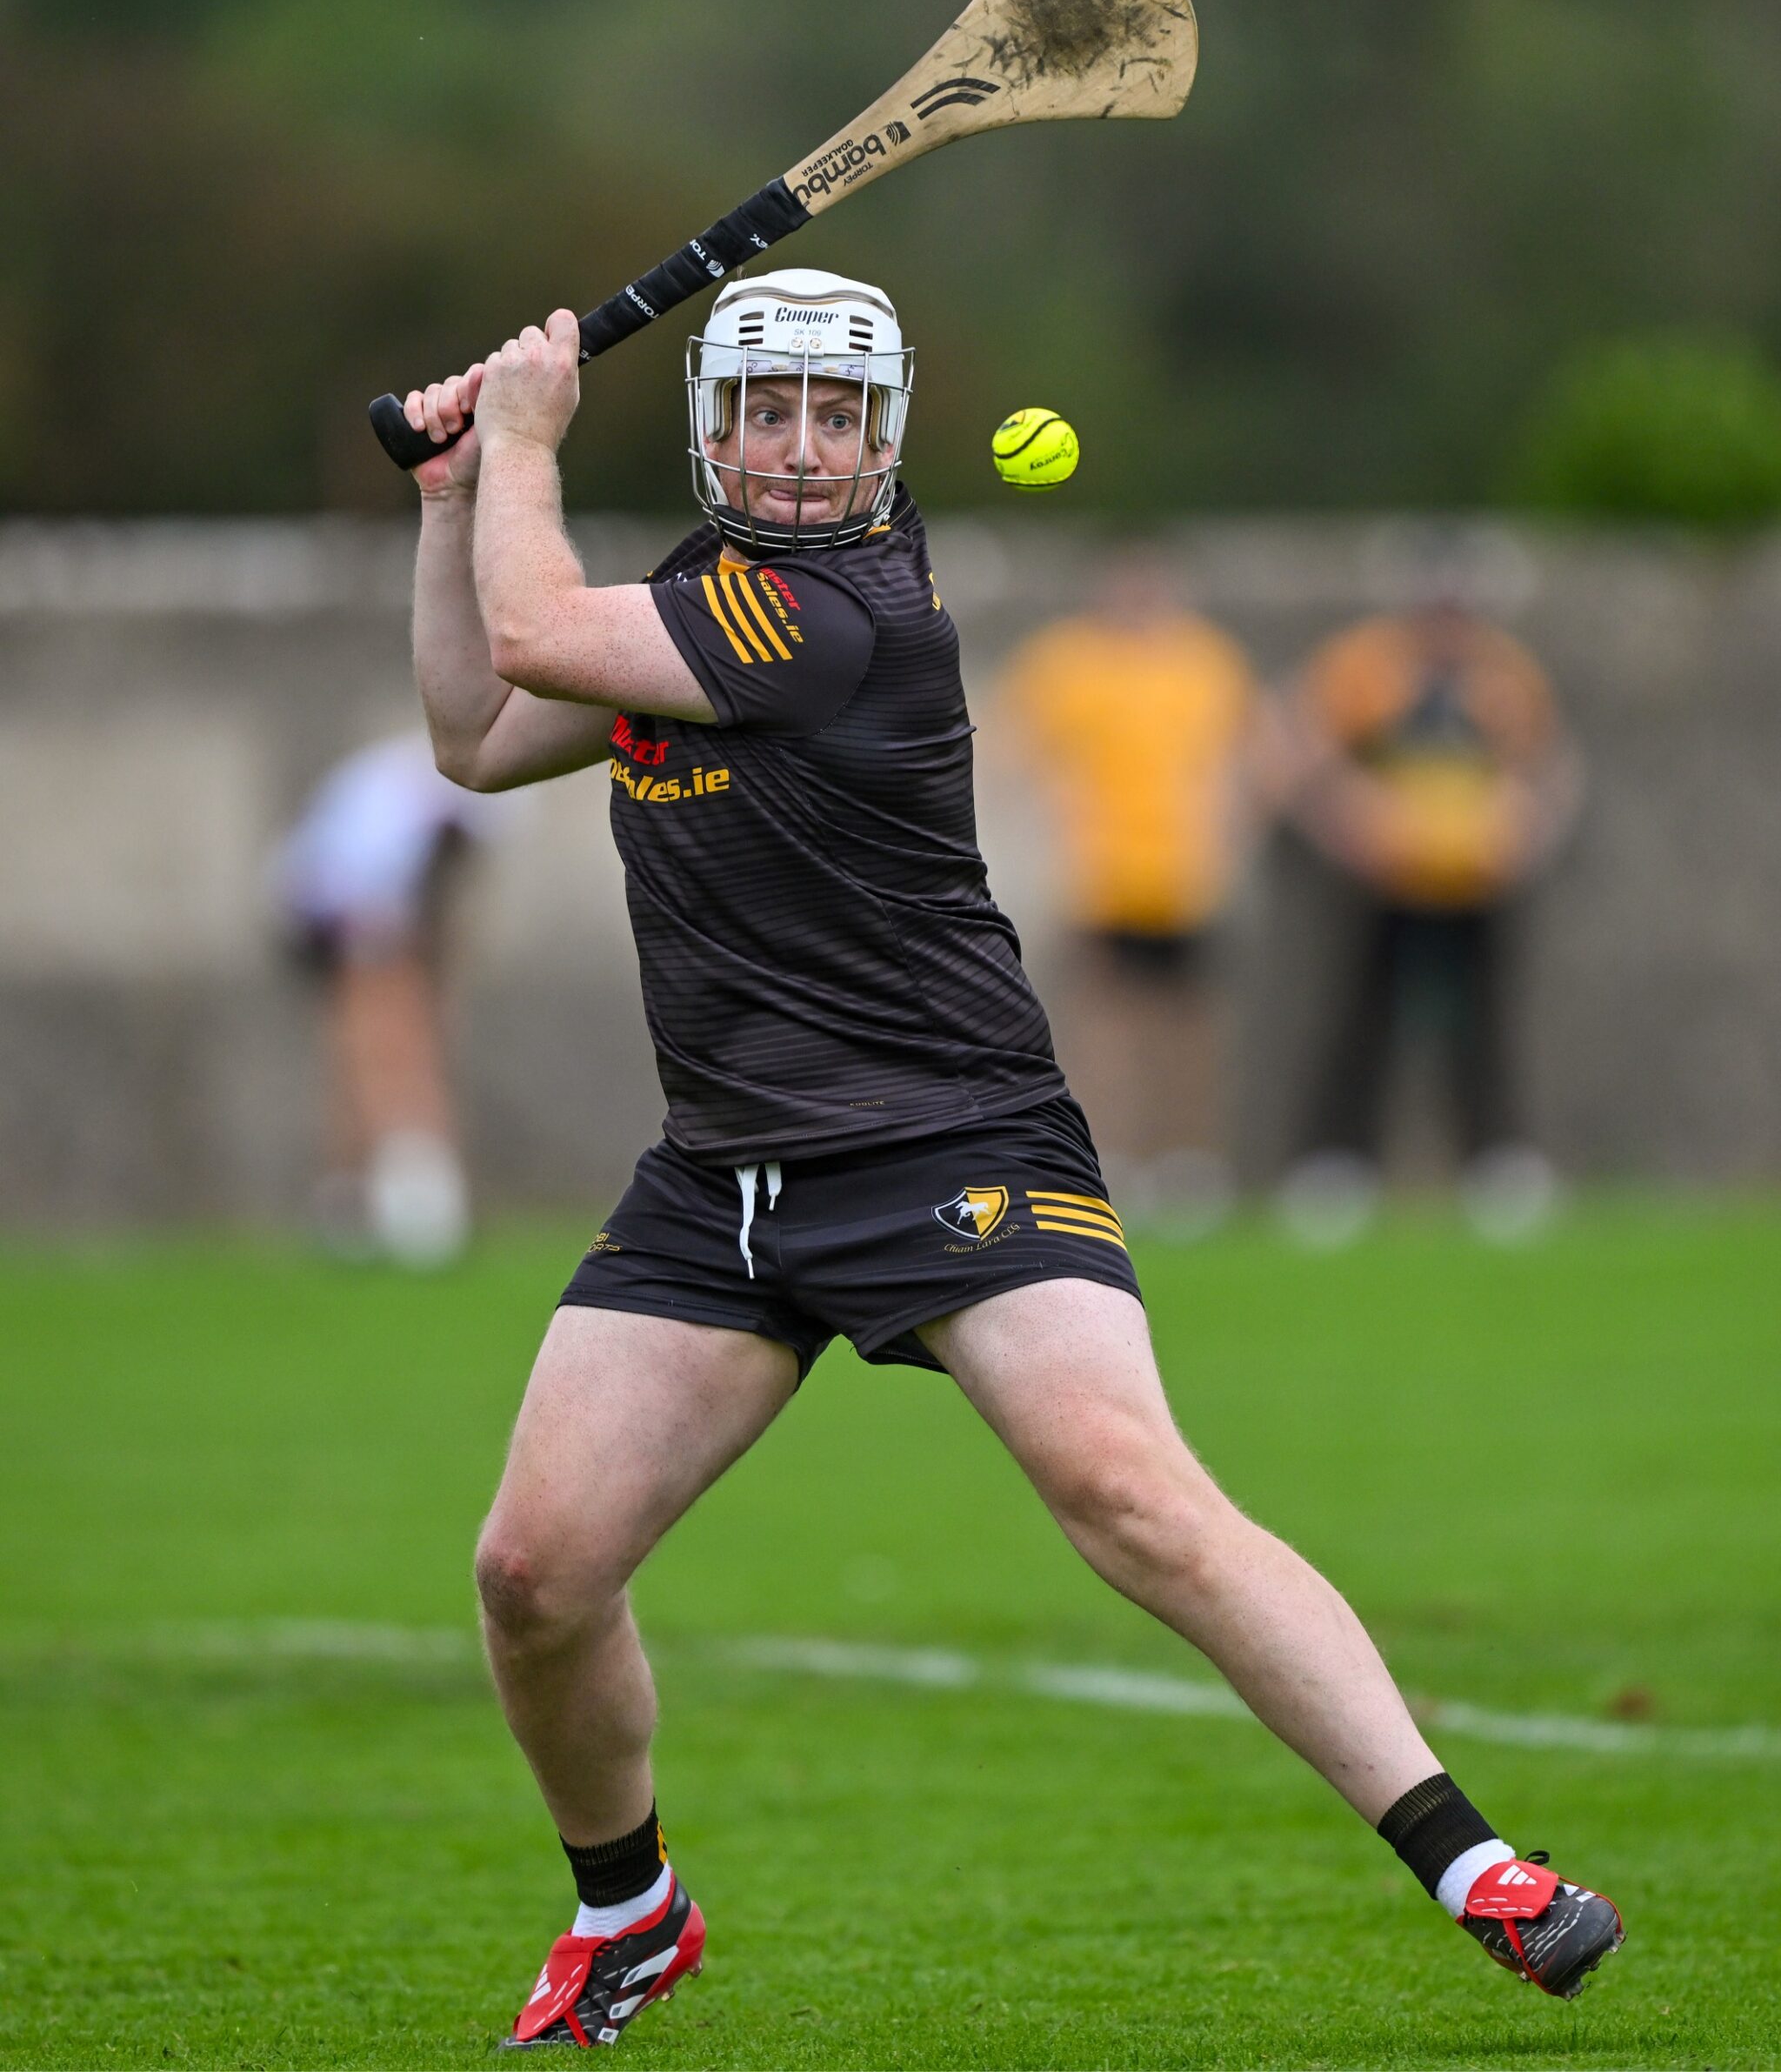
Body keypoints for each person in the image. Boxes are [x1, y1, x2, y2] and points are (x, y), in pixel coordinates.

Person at [401, 271, 1622, 2049]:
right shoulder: (692, 596)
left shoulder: (839, 614)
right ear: (716, 426)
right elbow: (474, 733)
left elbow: (528, 636)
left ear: (881, 439)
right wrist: (451, 504)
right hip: (725, 1177)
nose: (800, 447)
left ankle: (1474, 1862)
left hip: (947, 1138)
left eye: (836, 416)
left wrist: (520, 437)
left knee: (1129, 1494)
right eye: (768, 409)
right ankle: (629, 1908)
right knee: (533, 1575)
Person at [1271, 563, 1580, 1245]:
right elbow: (1298, 747)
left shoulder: (1505, 675)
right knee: (1361, 1020)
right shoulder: (1365, 668)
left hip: (1476, 882)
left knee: (1484, 1024)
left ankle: (1496, 1160)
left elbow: (1550, 763)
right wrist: (1345, 822)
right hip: (1385, 881)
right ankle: (1337, 1162)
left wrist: (1530, 828)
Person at [996, 547, 1257, 1226]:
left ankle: (1188, 1159)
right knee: (1107, 1028)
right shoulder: (1066, 663)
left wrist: (1225, 834)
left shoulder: (1206, 660)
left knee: (1186, 1028)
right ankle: (1112, 1155)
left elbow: (1242, 758)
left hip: (1186, 877)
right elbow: (1014, 753)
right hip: (1101, 878)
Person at [272, 731, 510, 1266]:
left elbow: (442, 905)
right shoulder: (390, 822)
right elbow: (357, 901)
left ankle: (353, 1198)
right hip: (326, 909)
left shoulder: (438, 819)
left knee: (395, 1038)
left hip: (374, 910)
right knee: (381, 1044)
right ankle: (404, 1194)